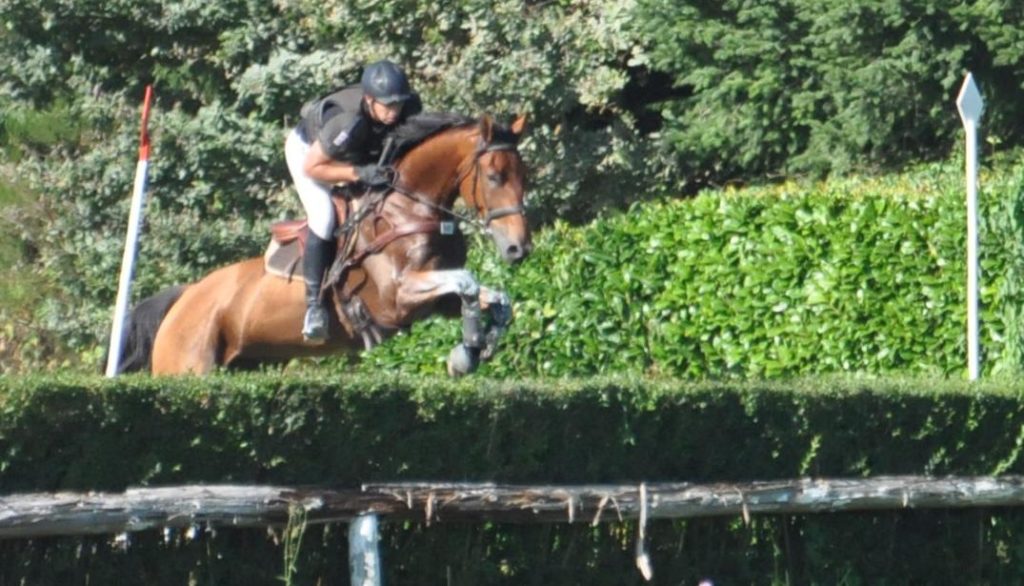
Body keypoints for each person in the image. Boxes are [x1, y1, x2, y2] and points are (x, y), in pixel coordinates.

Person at [284, 59, 423, 343]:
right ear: (370, 100)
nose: (394, 112)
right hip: (309, 155)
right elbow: (313, 167)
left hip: (354, 151)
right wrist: (357, 173)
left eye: (398, 104)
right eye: (388, 105)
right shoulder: (349, 121)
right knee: (323, 217)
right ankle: (314, 306)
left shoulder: (406, 107)